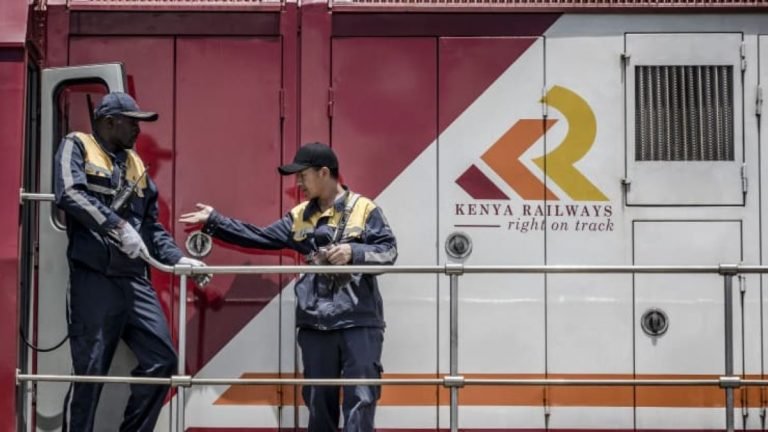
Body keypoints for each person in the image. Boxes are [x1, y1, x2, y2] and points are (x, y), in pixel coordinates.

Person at [179, 142, 397, 432]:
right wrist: (214, 222)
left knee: (361, 400)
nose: (298, 183)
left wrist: (352, 253)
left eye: (302, 175)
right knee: (319, 404)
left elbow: (389, 252)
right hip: (316, 324)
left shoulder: (364, 209)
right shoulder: (299, 218)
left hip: (359, 321)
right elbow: (257, 237)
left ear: (323, 173)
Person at [54, 92, 205, 431]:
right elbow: (68, 193)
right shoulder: (76, 146)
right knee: (89, 373)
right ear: (109, 122)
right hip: (94, 281)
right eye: (132, 122)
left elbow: (151, 225)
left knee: (162, 360)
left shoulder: (135, 164)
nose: (139, 129)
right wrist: (117, 225)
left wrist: (178, 259)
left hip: (135, 281)